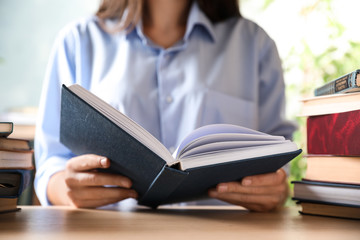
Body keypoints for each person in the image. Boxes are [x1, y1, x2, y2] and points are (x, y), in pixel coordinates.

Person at [35, 0, 296, 212]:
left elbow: (278, 153)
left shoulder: (254, 44)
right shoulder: (78, 41)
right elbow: (51, 162)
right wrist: (63, 188)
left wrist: (276, 189)